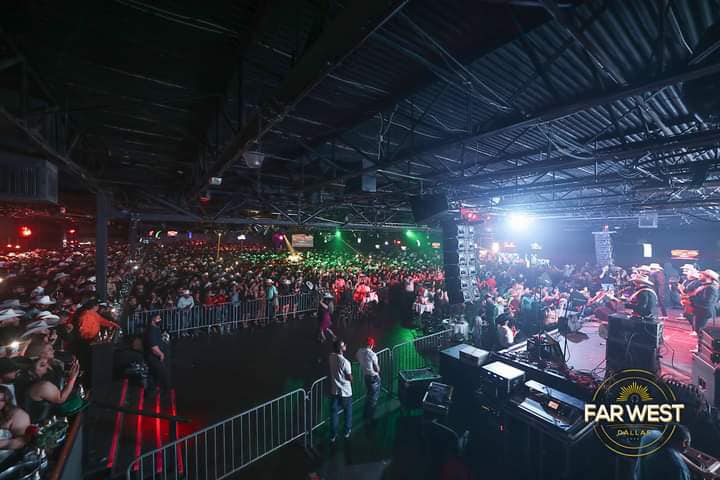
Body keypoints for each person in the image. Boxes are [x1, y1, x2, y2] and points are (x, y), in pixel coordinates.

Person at [21, 357, 80, 423]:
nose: (47, 366)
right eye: (42, 365)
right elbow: (61, 399)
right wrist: (72, 378)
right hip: (41, 423)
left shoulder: (40, 378)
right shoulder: (42, 386)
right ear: (31, 372)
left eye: (46, 363)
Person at [689, 270, 720, 352]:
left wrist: (694, 295)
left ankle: (700, 350)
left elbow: (707, 302)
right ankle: (699, 348)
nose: (699, 276)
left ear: (708, 277)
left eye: (702, 275)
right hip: (701, 311)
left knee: (701, 331)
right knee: (699, 330)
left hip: (705, 312)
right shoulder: (706, 287)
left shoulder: (711, 288)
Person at [328, 339, 352, 442]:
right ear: (341, 349)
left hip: (334, 391)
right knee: (347, 413)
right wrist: (351, 378)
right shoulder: (345, 362)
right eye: (344, 345)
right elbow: (349, 378)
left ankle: (333, 435)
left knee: (334, 414)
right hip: (345, 392)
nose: (345, 345)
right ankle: (346, 431)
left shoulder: (331, 357)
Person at [356, 337, 380, 425]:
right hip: (374, 378)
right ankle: (371, 418)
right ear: (371, 345)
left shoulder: (359, 351)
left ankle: (365, 415)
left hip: (366, 376)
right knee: (373, 399)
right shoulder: (372, 354)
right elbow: (377, 369)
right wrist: (378, 368)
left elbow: (357, 358)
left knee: (368, 396)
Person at [144, 314, 170, 394]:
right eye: (158, 319)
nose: (160, 320)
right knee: (162, 373)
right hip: (154, 356)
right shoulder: (151, 331)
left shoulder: (156, 328)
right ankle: (162, 391)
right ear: (153, 320)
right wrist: (161, 354)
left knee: (154, 373)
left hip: (156, 356)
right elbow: (154, 347)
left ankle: (154, 389)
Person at [0, 385, 30, 450]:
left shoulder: (17, 415)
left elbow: (22, 441)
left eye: (1, 400)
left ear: (6, 401)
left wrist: (3, 443)